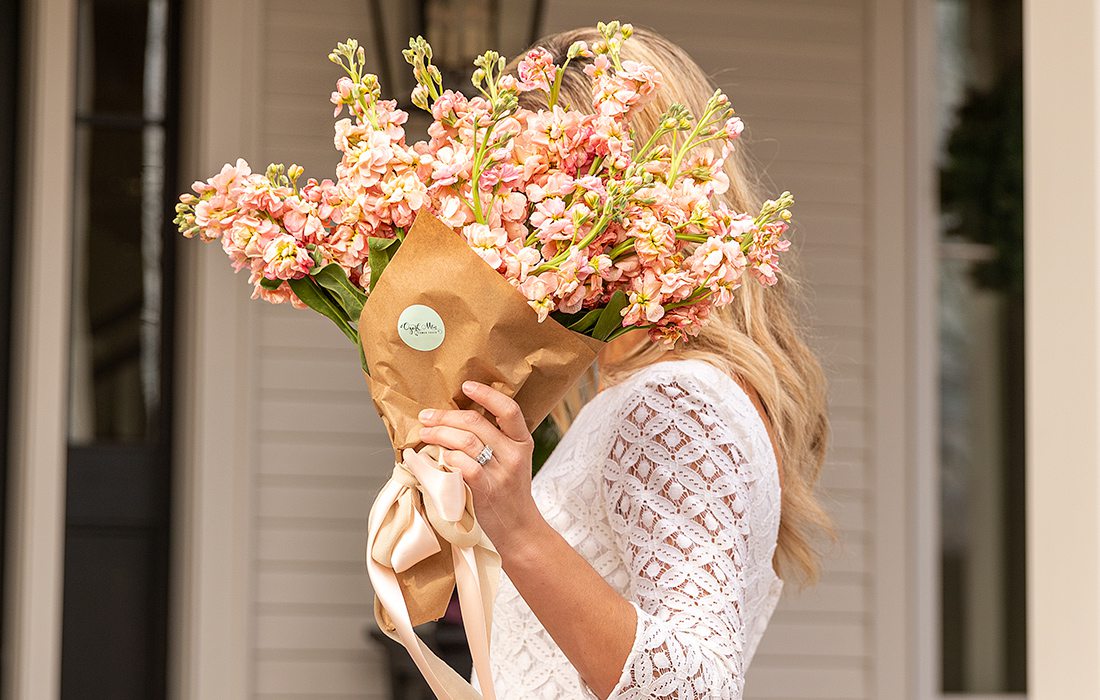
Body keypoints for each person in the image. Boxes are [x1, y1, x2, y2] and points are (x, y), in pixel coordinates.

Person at [417, 26, 832, 700]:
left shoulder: (678, 399)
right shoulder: (657, 389)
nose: (514, 221)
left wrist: (517, 527)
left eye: (540, 189)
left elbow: (694, 688)